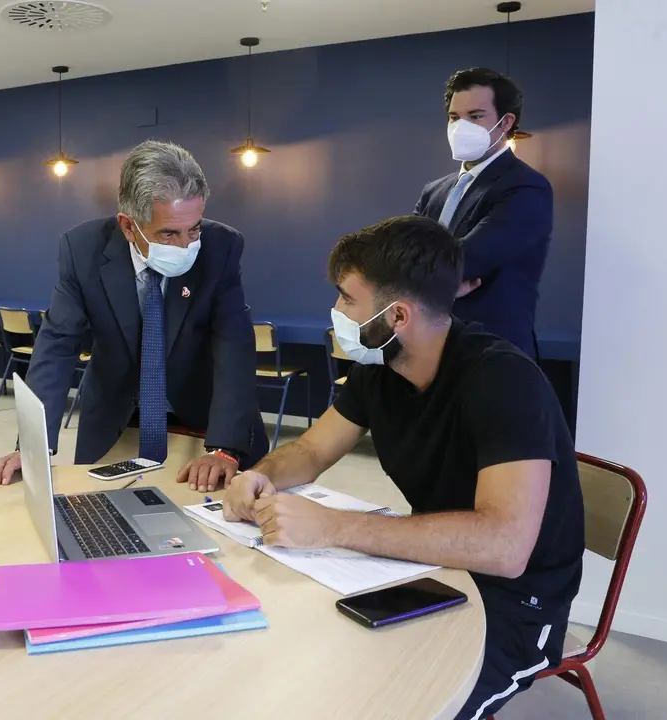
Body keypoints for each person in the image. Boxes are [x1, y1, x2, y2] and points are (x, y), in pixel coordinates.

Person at [222, 216, 584, 720]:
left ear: (397, 317)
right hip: (433, 567)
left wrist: (333, 527)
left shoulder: (504, 380)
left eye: (347, 299)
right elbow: (309, 451)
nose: (336, 312)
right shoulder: (379, 369)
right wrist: (260, 474)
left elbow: (504, 548)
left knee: (407, 703)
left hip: (518, 604)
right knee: (304, 657)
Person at [0, 140, 269, 491]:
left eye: (193, 229)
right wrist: (31, 447)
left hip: (206, 417)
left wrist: (225, 447)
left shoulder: (222, 247)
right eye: (169, 233)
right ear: (128, 226)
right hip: (115, 419)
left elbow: (233, 344)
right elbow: (58, 344)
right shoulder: (82, 249)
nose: (185, 246)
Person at [414, 67, 554, 359]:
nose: (461, 127)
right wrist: (444, 287)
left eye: (476, 116)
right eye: (454, 117)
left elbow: (467, 260)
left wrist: (429, 278)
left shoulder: (526, 186)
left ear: (506, 123)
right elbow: (401, 255)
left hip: (493, 353)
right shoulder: (435, 190)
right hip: (431, 348)